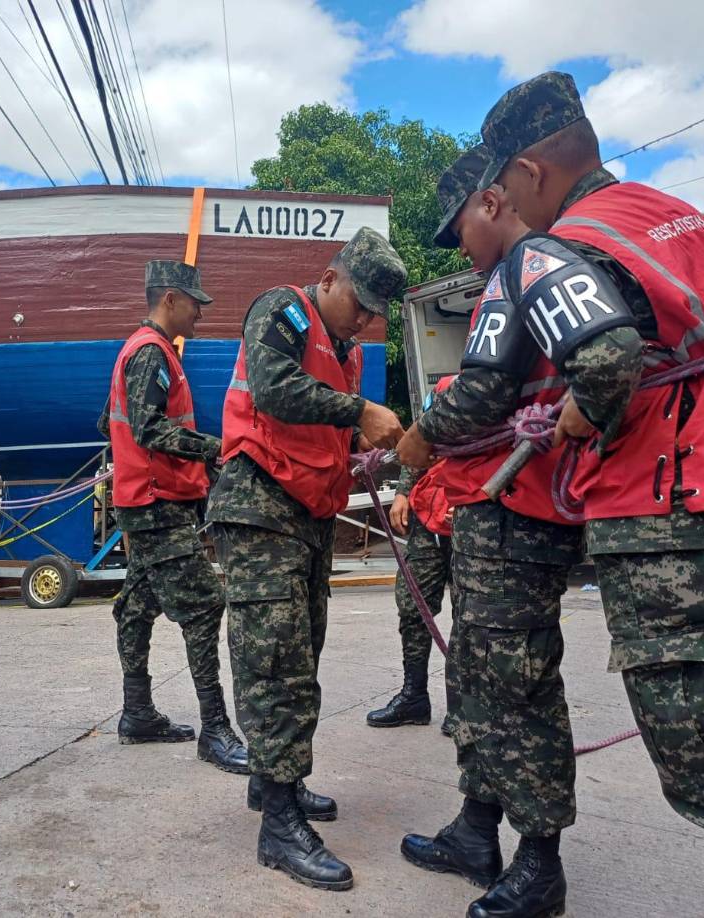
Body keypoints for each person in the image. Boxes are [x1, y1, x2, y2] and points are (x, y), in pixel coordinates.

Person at [473, 72, 704, 917]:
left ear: (529, 171)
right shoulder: (673, 216)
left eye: (506, 186)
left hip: (672, 521)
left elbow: (605, 361)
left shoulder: (557, 244)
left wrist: (581, 413)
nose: (509, 207)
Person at [397, 145, 584, 918]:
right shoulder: (518, 273)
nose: (460, 250)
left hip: (519, 515)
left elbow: (479, 393)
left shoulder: (522, 269)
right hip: (496, 511)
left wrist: (420, 434)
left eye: (459, 230)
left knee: (519, 690)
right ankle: (476, 830)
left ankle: (539, 864)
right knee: (477, 675)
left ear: (491, 203)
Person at [208, 226, 406, 891]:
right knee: (275, 664)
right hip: (260, 507)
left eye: (377, 311)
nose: (367, 318)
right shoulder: (284, 310)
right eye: (362, 302)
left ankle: (276, 785)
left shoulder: (343, 353)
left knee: (302, 654)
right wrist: (360, 413)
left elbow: (313, 429)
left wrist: (355, 451)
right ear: (330, 280)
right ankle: (280, 824)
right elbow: (273, 391)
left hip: (306, 517)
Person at [98, 260, 247, 774]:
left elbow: (109, 421)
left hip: (146, 499)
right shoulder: (151, 353)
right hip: (157, 504)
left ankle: (137, 713)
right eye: (194, 303)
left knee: (135, 608)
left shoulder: (140, 351)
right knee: (205, 605)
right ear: (169, 300)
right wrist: (212, 448)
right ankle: (216, 729)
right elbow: (146, 428)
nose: (199, 313)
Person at [368, 376, 459, 734]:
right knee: (413, 605)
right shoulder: (443, 391)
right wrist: (404, 491)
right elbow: (418, 439)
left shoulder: (495, 394)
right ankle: (414, 696)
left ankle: (463, 705)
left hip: (470, 520)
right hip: (428, 520)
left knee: (471, 617)